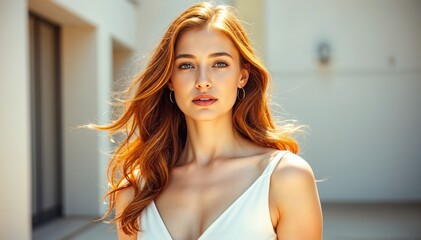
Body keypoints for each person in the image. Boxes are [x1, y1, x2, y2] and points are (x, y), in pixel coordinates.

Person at [95, 2, 322, 239]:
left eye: (220, 64)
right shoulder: (135, 191)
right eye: (186, 65)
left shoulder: (285, 178)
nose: (203, 81)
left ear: (242, 76)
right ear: (170, 80)